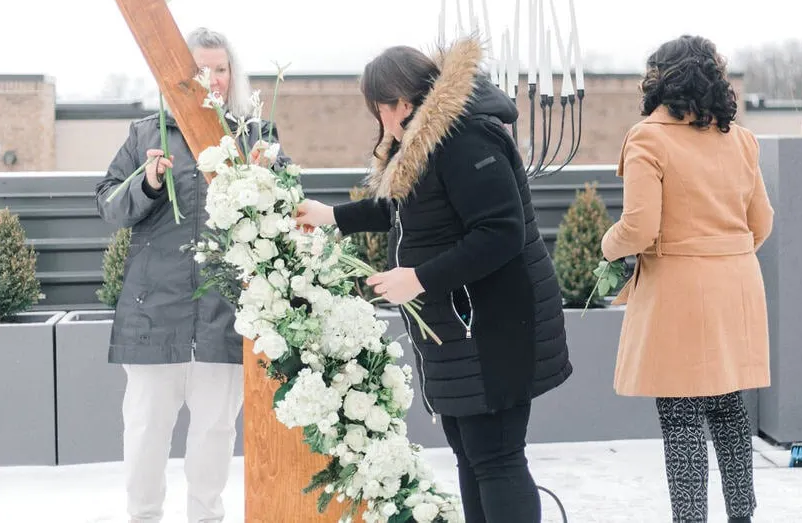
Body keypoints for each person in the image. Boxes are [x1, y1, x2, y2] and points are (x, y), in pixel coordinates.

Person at [296, 36, 572, 523]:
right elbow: (407, 210)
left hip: (492, 327)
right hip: (459, 330)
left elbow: (500, 233)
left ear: (399, 103)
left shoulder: (465, 141)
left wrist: (419, 279)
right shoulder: (426, 144)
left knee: (497, 456)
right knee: (472, 453)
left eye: (377, 108)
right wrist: (332, 216)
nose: (378, 121)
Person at [95, 28, 285, 523]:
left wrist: (268, 179)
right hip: (153, 313)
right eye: (202, 70)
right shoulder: (144, 134)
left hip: (225, 315)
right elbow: (109, 204)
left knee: (215, 434)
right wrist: (149, 182)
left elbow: (284, 207)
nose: (213, 80)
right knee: (144, 432)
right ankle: (143, 516)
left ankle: (207, 518)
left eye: (221, 69)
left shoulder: (256, 135)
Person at [601, 35, 773, 523]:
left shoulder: (649, 138)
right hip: (737, 285)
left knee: (680, 418)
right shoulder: (740, 139)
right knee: (727, 408)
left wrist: (607, 246)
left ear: (659, 79)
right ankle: (742, 515)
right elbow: (763, 222)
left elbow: (639, 227)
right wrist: (723, 257)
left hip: (679, 290)